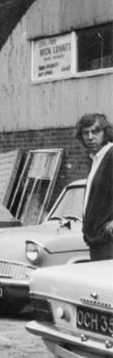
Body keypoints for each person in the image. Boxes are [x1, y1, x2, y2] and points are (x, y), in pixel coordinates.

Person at [77, 112, 113, 261]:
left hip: (109, 241)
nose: (90, 137)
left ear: (106, 132)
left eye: (95, 131)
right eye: (86, 133)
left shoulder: (111, 155)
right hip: (96, 241)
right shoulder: (95, 159)